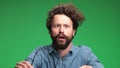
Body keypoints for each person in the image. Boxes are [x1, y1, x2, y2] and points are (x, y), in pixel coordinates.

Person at [15, 3, 104, 68]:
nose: (61, 30)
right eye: (57, 26)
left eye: (66, 26)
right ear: (50, 31)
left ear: (73, 31)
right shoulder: (40, 53)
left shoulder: (85, 53)